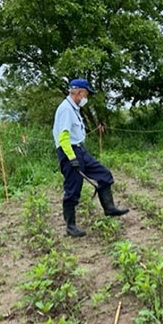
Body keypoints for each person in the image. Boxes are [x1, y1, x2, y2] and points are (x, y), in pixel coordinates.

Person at [53, 78, 129, 237]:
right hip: (70, 152)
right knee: (73, 189)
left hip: (80, 149)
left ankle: (109, 208)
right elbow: (63, 137)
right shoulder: (66, 109)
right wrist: (72, 158)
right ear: (79, 92)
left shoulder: (73, 108)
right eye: (86, 94)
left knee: (104, 174)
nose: (86, 98)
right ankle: (70, 226)